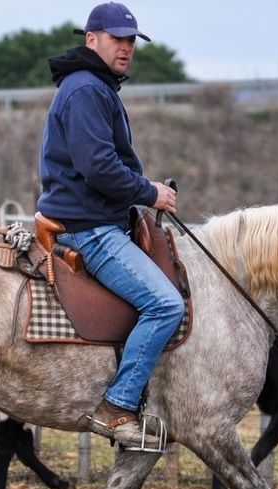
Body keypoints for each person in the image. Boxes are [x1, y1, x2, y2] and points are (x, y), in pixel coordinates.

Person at [37, 2, 184, 449]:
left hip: (98, 217)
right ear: (92, 39)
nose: (125, 48)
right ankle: (117, 406)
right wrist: (149, 192)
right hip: (91, 227)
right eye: (117, 39)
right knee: (166, 305)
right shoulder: (86, 90)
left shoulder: (95, 86)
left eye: (130, 41)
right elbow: (98, 166)